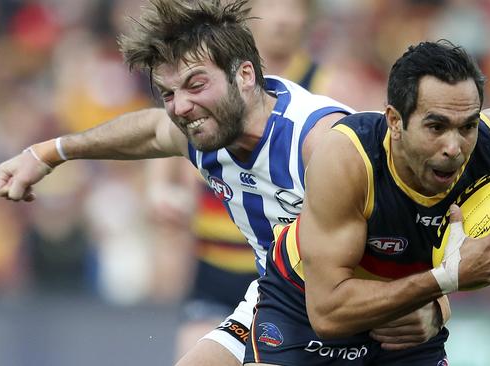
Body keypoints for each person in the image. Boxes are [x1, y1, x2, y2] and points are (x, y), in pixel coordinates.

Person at [0, 1, 448, 365]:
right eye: (169, 93)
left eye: (195, 84)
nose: (181, 106)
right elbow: (151, 131)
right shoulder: (206, 128)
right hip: (280, 299)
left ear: (245, 74)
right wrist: (47, 153)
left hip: (367, 315)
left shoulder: (319, 141)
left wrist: (439, 306)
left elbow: (426, 211)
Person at [244, 41, 490, 365]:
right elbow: (327, 314)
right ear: (395, 121)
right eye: (436, 127)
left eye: (467, 126)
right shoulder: (348, 159)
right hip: (302, 308)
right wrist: (444, 282)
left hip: (407, 325)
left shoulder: (487, 146)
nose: (454, 147)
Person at [143, 0, 354, 359]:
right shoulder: (208, 85)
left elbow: (360, 155)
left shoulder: (327, 85)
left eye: (293, 9)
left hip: (288, 265)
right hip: (216, 259)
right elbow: (163, 135)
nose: (283, 19)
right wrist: (160, 188)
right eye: (273, 7)